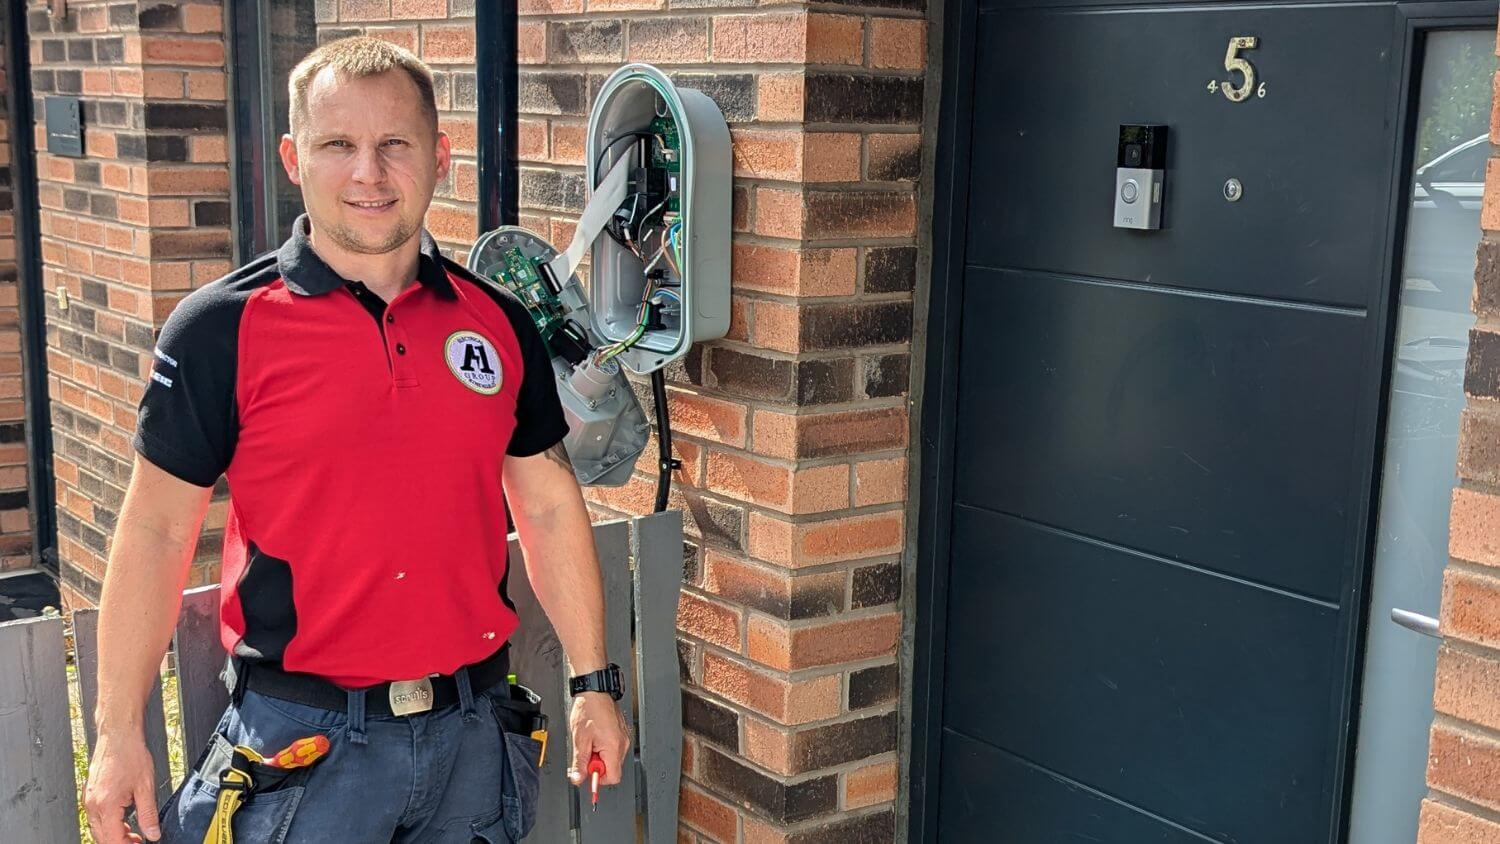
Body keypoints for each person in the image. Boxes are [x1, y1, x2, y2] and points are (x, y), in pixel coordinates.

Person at [82, 36, 630, 843]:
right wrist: (116, 731)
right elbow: (158, 531)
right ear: (293, 157)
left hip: (472, 743)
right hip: (304, 751)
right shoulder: (220, 329)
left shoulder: (499, 324)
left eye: (394, 144)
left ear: (440, 157)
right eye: (338, 143)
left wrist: (594, 682)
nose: (369, 173)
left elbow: (547, 506)